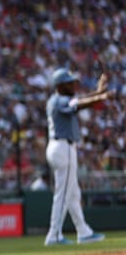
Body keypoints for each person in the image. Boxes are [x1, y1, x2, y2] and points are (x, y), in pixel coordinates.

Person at [43, 68, 113, 246]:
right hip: (62, 147)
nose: (73, 84)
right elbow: (79, 104)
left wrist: (99, 90)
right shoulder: (57, 100)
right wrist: (100, 97)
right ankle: (54, 235)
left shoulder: (61, 99)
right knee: (64, 193)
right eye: (69, 82)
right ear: (60, 86)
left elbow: (80, 101)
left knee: (73, 194)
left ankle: (83, 231)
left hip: (64, 147)